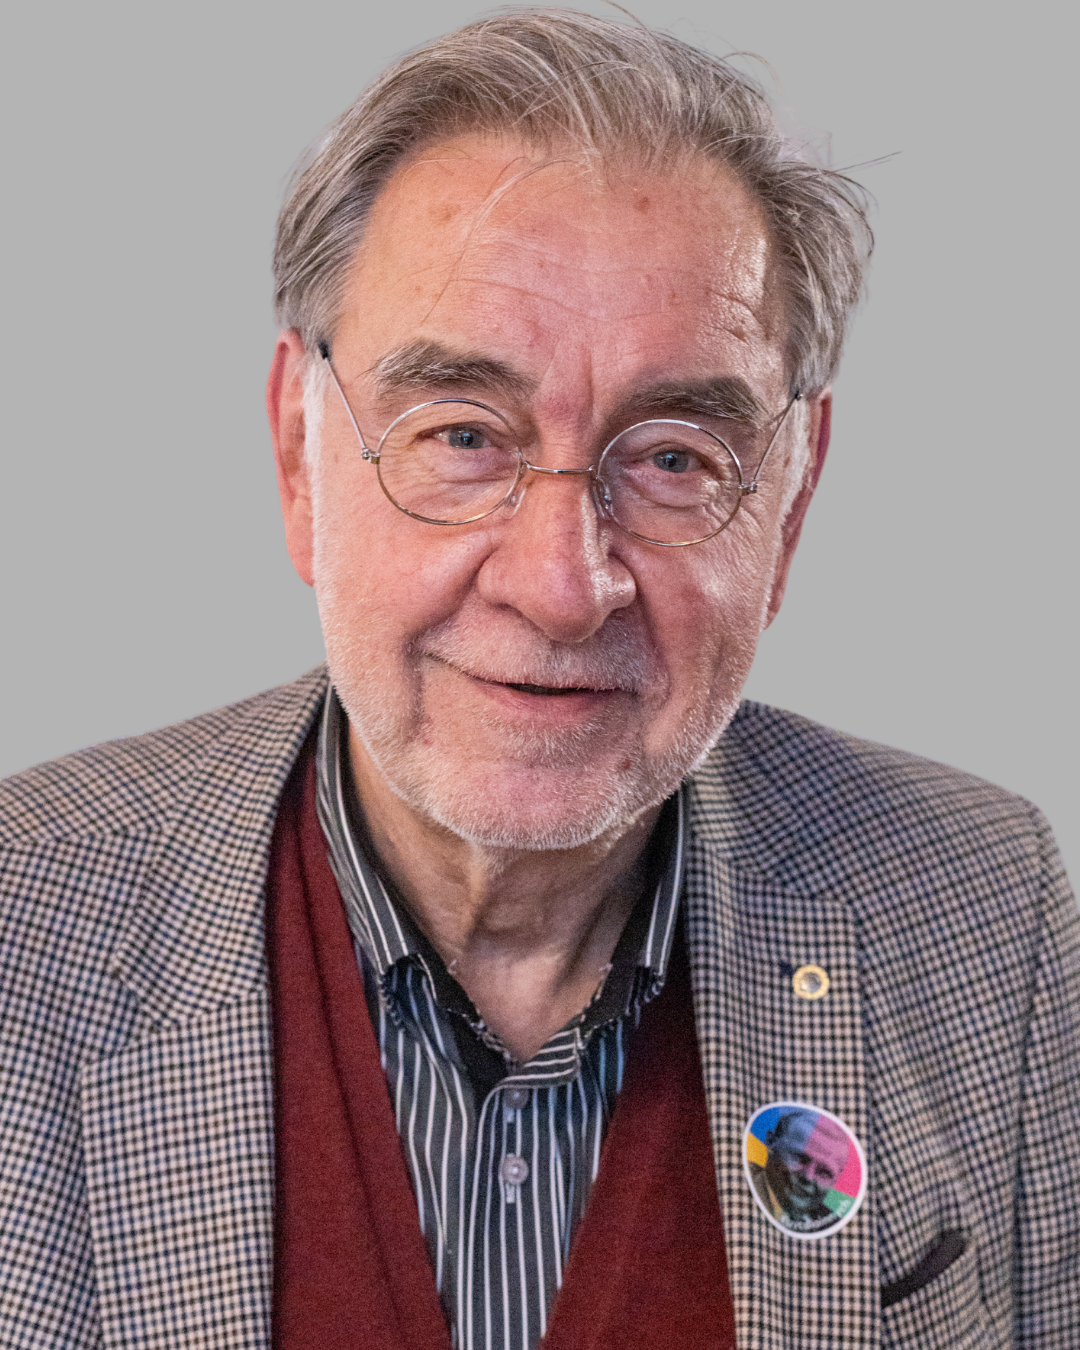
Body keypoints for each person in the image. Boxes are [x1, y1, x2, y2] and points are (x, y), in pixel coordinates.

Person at [0, 10, 1076, 1349]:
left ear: (790, 505)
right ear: (297, 457)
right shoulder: (21, 926)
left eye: (674, 458)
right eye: (463, 435)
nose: (563, 585)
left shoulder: (986, 907)